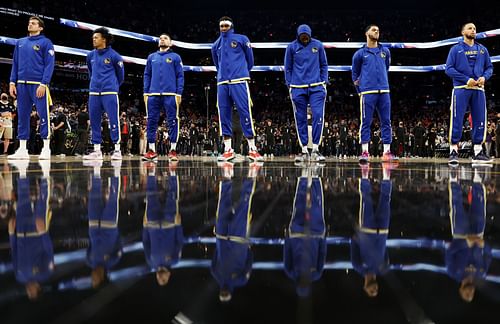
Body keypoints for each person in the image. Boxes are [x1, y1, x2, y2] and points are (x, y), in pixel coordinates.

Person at [211, 16, 263, 162]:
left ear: (231, 26)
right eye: (221, 25)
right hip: (222, 83)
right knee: (223, 115)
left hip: (239, 81)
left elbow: (250, 60)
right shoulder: (215, 45)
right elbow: (217, 64)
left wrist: (241, 72)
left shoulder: (242, 39)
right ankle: (228, 149)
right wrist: (223, 75)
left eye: (226, 25)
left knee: (245, 111)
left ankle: (252, 149)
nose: (223, 28)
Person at [445, 23, 494, 165]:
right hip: (461, 88)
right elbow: (448, 69)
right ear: (462, 32)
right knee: (457, 119)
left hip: (479, 90)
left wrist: (485, 77)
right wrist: (467, 79)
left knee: (480, 120)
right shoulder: (455, 49)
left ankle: (477, 153)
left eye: (474, 29)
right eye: (470, 28)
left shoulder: (483, 50)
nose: (473, 30)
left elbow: (489, 67)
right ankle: (453, 152)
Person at [8, 16, 55, 160]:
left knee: (43, 115)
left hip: (38, 85)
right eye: (29, 23)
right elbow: (15, 63)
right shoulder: (20, 42)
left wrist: (43, 83)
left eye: (34, 23)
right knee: (22, 117)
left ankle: (46, 148)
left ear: (40, 28)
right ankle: (22, 149)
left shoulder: (46, 43)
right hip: (21, 84)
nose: (30, 24)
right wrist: (12, 82)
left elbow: (49, 64)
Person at [352, 25, 398, 163]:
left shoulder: (386, 51)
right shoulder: (359, 54)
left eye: (378, 30)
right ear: (366, 33)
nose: (376, 31)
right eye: (373, 29)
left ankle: (387, 152)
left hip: (384, 91)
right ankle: (365, 152)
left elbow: (386, 68)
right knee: (366, 122)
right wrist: (360, 92)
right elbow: (355, 75)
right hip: (367, 92)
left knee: (386, 122)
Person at [284, 24, 328, 162]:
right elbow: (288, 67)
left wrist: (324, 82)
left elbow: (324, 65)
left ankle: (315, 148)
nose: (304, 38)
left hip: (316, 87)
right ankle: (304, 149)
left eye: (306, 36)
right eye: (302, 36)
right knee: (300, 118)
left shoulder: (318, 45)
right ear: (298, 35)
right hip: (297, 87)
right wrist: (290, 84)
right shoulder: (291, 47)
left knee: (318, 115)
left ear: (310, 35)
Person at [84, 27, 125, 160]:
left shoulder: (115, 56)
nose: (93, 40)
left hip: (110, 92)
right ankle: (97, 150)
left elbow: (121, 76)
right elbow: (91, 72)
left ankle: (117, 150)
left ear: (104, 39)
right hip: (94, 92)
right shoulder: (90, 56)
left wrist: (112, 86)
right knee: (95, 121)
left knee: (113, 120)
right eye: (93, 38)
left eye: (96, 37)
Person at [143, 33, 184, 162]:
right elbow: (147, 74)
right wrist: (146, 91)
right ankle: (151, 150)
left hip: (171, 94)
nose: (162, 39)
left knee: (172, 120)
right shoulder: (151, 57)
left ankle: (173, 150)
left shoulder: (175, 57)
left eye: (165, 38)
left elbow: (180, 76)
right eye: (160, 38)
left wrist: (179, 92)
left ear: (170, 43)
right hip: (153, 94)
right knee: (151, 121)